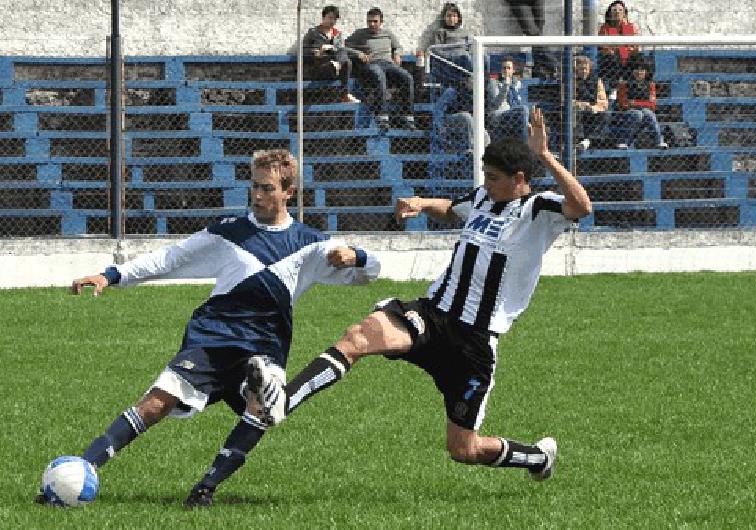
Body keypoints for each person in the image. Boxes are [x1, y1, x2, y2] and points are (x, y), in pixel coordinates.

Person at [248, 108, 592, 483]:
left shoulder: (539, 209)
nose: (487, 183)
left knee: (465, 449)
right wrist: (422, 203)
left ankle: (537, 458)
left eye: (493, 178)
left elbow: (583, 206)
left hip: (471, 344)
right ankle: (281, 401)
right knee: (358, 337)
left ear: (519, 179)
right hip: (433, 315)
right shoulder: (482, 198)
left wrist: (545, 155)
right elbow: (451, 209)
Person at [35, 149, 381, 508]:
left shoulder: (312, 244)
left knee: (261, 405)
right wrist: (110, 275)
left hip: (264, 342)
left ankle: (205, 488)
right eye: (255, 187)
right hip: (213, 337)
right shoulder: (228, 233)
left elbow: (369, 274)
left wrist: (359, 256)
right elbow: (168, 260)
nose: (258, 196)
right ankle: (81, 470)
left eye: (267, 188)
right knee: (156, 403)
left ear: (288, 192)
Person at [345, 7, 416, 132]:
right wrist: (358, 54)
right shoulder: (360, 34)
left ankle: (408, 116)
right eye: (369, 21)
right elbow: (344, 46)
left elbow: (398, 47)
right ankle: (382, 115)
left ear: (381, 22)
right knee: (379, 75)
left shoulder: (388, 34)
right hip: (372, 64)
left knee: (407, 77)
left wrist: (397, 54)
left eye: (375, 21)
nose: (372, 24)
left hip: (388, 64)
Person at [302, 5, 360, 103]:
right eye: (330, 18)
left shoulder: (337, 34)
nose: (332, 21)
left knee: (347, 60)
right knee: (337, 62)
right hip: (320, 68)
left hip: (337, 68)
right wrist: (320, 51)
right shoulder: (313, 32)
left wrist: (333, 48)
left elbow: (341, 50)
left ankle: (345, 95)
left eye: (334, 19)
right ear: (323, 17)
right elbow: (305, 51)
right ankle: (344, 93)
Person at [613, 54, 668, 149]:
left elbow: (652, 104)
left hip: (645, 112)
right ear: (631, 70)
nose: (639, 72)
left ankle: (659, 141)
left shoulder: (650, 84)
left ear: (646, 71)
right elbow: (623, 103)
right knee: (638, 114)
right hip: (626, 113)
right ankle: (624, 142)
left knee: (648, 113)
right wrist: (639, 104)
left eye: (642, 69)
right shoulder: (624, 84)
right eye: (636, 69)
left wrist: (635, 103)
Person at [598, 1, 640, 94]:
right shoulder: (605, 28)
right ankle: (613, 90)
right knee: (612, 57)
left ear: (624, 12)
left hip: (627, 59)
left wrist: (621, 49)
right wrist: (619, 49)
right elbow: (605, 47)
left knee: (637, 59)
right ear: (610, 12)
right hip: (611, 60)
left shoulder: (630, 26)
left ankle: (632, 91)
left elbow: (634, 46)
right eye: (614, 10)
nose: (617, 12)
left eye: (620, 10)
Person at [486, 56, 530, 141]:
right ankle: (525, 145)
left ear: (513, 70)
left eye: (508, 68)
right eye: (504, 68)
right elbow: (495, 105)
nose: (506, 70)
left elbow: (520, 103)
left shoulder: (517, 85)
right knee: (523, 110)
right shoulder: (494, 83)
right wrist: (505, 86)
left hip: (513, 115)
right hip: (499, 116)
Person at [573, 55, 609, 151]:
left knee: (605, 114)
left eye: (586, 69)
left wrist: (595, 108)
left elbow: (603, 101)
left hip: (593, 110)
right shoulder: (571, 81)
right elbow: (566, 100)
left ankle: (588, 141)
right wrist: (581, 104)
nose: (584, 71)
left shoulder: (596, 81)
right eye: (581, 69)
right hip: (578, 110)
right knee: (577, 114)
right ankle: (581, 140)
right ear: (576, 69)